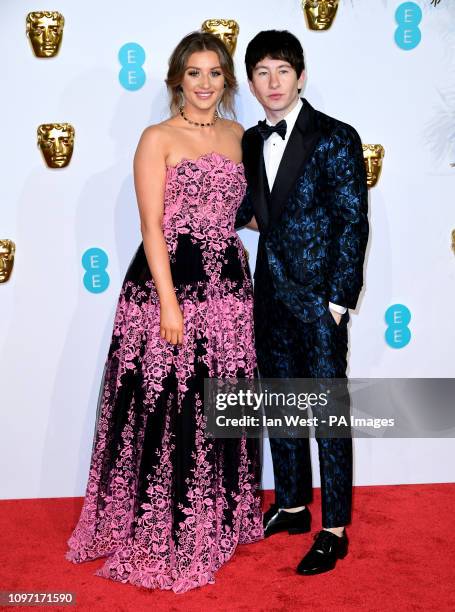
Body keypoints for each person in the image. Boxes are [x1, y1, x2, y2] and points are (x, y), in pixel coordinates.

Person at [66, 31, 263, 594]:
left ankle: (217, 514)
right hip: (167, 285)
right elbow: (151, 227)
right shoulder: (157, 138)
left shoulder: (238, 136)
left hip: (228, 285)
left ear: (227, 81)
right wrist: (170, 305)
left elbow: (243, 214)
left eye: (215, 73)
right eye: (194, 73)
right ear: (178, 78)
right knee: (168, 406)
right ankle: (165, 522)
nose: (205, 84)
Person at [236, 30, 369, 575]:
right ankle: (291, 506)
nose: (273, 82)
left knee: (327, 415)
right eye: (262, 72)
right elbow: (256, 209)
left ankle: (333, 528)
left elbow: (352, 221)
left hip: (319, 303)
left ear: (301, 76)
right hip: (268, 297)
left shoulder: (336, 136)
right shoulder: (247, 140)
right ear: (251, 82)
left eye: (282, 71)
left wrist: (338, 300)